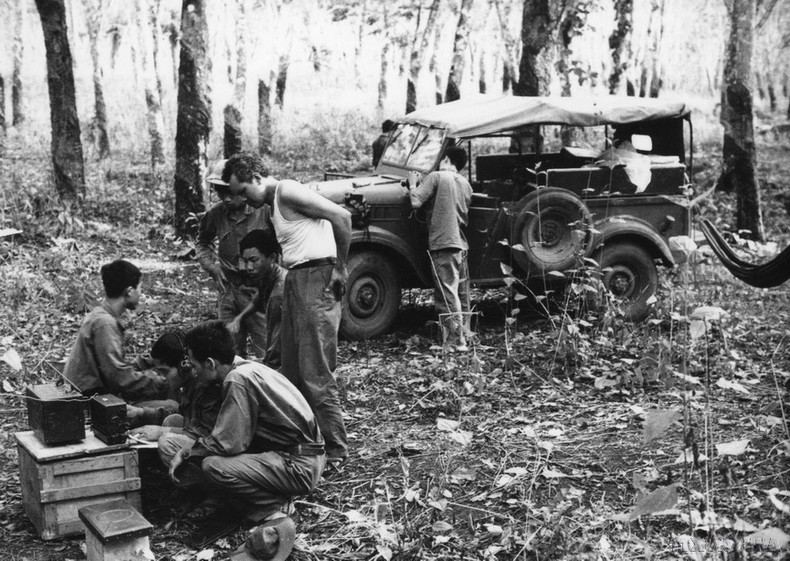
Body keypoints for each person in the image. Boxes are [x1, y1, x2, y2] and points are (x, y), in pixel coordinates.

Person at [222, 152, 350, 463]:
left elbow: (342, 218)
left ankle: (335, 450)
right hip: (295, 279)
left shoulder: (287, 191)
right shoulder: (271, 207)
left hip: (316, 276)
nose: (241, 200)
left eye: (242, 191)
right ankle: (304, 440)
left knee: (315, 372)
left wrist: (340, 268)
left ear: (256, 177)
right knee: (289, 368)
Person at [163, 321, 324, 547]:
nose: (194, 372)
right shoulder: (245, 367)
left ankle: (273, 505)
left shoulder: (236, 380)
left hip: (299, 464)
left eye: (196, 366)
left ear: (210, 363)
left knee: (213, 466)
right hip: (302, 456)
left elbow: (228, 443)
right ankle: (247, 501)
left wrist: (188, 453)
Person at [63, 260, 179, 426]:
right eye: (140, 288)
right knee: (172, 407)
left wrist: (148, 362)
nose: (141, 294)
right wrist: (161, 383)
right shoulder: (105, 323)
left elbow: (113, 366)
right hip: (89, 406)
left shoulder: (100, 315)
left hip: (89, 399)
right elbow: (119, 377)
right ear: (129, 291)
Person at [196, 160, 272, 358]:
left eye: (230, 191)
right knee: (228, 351)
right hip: (228, 289)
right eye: (220, 192)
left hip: (258, 292)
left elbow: (280, 247)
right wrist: (213, 267)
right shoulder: (215, 214)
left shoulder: (264, 210)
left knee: (267, 349)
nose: (226, 198)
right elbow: (203, 243)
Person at [407, 146, 473, 351]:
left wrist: (412, 184)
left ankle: (456, 341)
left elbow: (415, 202)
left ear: (445, 159)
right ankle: (466, 335)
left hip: (444, 243)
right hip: (460, 244)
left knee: (446, 294)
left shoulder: (436, 177)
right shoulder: (465, 184)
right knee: (461, 293)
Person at [129, 330, 223, 444]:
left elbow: (207, 433)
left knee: (166, 440)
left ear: (184, 368)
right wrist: (140, 412)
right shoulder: (189, 385)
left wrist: (161, 432)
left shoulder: (204, 385)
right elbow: (179, 414)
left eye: (165, 371)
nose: (162, 377)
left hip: (213, 447)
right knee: (172, 420)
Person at [229, 229, 287, 369]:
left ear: (272, 257)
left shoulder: (279, 293)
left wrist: (262, 364)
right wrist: (239, 318)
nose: (248, 267)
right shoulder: (266, 276)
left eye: (254, 261)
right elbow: (258, 298)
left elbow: (278, 343)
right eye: (245, 261)